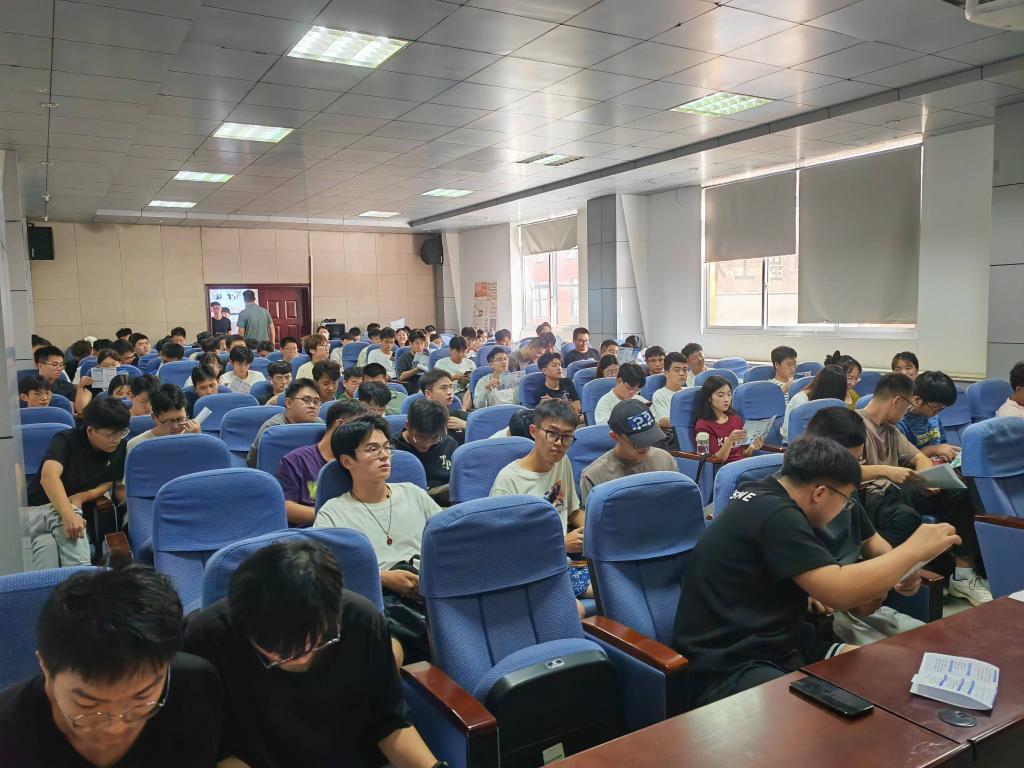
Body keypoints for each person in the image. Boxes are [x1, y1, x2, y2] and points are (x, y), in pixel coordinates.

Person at [672, 436, 960, 707]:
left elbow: (822, 584)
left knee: (898, 668)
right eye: (846, 499)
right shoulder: (777, 515)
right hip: (731, 665)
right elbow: (838, 588)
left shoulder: (765, 491)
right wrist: (913, 550)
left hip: (786, 644)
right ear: (820, 493)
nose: (846, 508)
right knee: (846, 716)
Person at [183, 540, 439, 768]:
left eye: (316, 643)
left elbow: (388, 722)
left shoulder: (361, 620)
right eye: (280, 655)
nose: (302, 659)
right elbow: (218, 748)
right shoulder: (209, 637)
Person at [0, 566, 223, 768]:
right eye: (87, 704)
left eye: (142, 698)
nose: (115, 728)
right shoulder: (10, 732)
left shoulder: (194, 689)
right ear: (45, 667)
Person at [315, 416, 442, 662]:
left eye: (386, 447)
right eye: (372, 449)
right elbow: (326, 575)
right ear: (347, 461)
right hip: (377, 601)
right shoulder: (333, 512)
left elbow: (446, 540)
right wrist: (383, 577)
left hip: (430, 589)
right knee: (389, 648)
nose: (384, 455)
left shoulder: (413, 493)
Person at [858, 373, 990, 605]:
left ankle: (963, 575)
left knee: (961, 493)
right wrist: (887, 471)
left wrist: (929, 480)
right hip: (870, 492)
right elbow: (844, 471)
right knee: (905, 518)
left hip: (900, 487)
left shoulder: (891, 430)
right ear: (897, 401)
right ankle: (878, 577)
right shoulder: (853, 424)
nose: (907, 412)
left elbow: (919, 457)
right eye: (907, 405)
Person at [803, 407, 927, 645]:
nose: (854, 471)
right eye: (848, 462)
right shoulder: (787, 502)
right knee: (892, 657)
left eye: (857, 461)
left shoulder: (844, 488)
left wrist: (902, 568)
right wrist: (850, 597)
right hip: (826, 615)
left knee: (926, 637)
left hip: (853, 597)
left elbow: (871, 541)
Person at [490, 400, 590, 608]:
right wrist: (561, 544)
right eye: (552, 434)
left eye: (567, 437)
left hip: (559, 563)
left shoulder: (562, 462)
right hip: (527, 571)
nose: (559, 443)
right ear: (534, 431)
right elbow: (503, 548)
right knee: (576, 609)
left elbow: (572, 512)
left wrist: (593, 530)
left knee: (614, 584)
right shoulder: (508, 480)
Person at [24, 397, 129, 569]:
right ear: (90, 430)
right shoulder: (66, 440)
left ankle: (53, 586)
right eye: (110, 435)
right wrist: (68, 513)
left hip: (71, 520)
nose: (116, 439)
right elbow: (49, 477)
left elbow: (108, 481)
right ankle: (84, 580)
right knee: (62, 516)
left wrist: (83, 496)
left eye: (121, 433)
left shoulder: (119, 446)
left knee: (47, 546)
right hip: (34, 513)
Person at [276, 400, 366, 526]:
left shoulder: (360, 460)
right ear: (340, 425)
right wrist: (334, 517)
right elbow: (287, 508)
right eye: (360, 430)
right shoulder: (296, 460)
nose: (365, 437)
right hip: (312, 530)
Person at [580, 400, 677, 505]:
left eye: (650, 439)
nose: (645, 446)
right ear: (614, 436)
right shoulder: (594, 476)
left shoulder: (665, 459)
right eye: (638, 442)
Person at [247, 379, 323, 468]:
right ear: (288, 403)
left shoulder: (320, 425)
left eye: (316, 402)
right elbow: (252, 462)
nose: (312, 406)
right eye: (306, 400)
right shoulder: (273, 428)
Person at [693, 375, 764, 463]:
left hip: (742, 464)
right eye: (721, 395)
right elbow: (717, 460)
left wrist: (751, 448)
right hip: (723, 467)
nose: (726, 399)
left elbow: (742, 455)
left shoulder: (736, 420)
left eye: (729, 394)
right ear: (709, 398)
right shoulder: (703, 426)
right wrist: (729, 441)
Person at [393, 399, 458, 493]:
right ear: (408, 426)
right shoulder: (393, 449)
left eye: (434, 438)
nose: (427, 444)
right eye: (421, 438)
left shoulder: (449, 444)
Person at [898, 371, 960, 462]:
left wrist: (949, 451)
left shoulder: (933, 416)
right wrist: (932, 450)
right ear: (917, 400)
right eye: (935, 408)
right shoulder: (901, 423)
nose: (937, 412)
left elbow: (942, 443)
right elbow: (903, 460)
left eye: (942, 409)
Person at [126, 384, 200, 457]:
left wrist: (196, 441)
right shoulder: (136, 447)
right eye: (169, 421)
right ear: (154, 417)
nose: (176, 426)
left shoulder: (193, 435)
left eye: (180, 419)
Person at [781, 364, 848, 442]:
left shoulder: (835, 403)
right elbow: (788, 434)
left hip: (826, 443)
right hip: (798, 445)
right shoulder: (801, 401)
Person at [420, 369, 468, 441]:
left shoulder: (461, 416)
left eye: (450, 387)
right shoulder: (420, 421)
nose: (450, 392)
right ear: (428, 394)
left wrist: (466, 425)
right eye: (444, 388)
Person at [74, 349, 120, 414]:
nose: (110, 368)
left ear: (120, 364)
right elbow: (81, 410)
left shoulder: (127, 382)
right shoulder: (92, 383)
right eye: (105, 365)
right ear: (98, 366)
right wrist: (80, 387)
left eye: (113, 365)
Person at [651, 351, 687, 431]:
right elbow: (663, 420)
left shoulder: (689, 391)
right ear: (666, 373)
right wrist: (690, 423)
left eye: (684, 370)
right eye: (677, 370)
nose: (682, 373)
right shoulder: (660, 394)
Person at [434, 336, 475, 404]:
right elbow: (436, 382)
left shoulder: (470, 363)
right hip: (451, 393)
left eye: (463, 352)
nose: (460, 355)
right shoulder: (441, 363)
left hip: (468, 391)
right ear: (450, 350)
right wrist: (453, 378)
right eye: (458, 352)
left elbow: (475, 381)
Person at [537, 351, 580, 417]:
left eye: (559, 365)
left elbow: (578, 408)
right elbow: (555, 417)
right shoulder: (541, 392)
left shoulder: (567, 382)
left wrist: (554, 402)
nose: (559, 368)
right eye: (554, 365)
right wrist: (569, 405)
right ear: (544, 370)